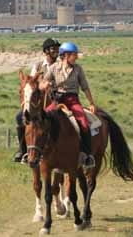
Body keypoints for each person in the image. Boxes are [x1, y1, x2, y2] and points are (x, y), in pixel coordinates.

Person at [40, 41, 97, 169]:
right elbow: (42, 83)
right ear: (65, 55)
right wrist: (45, 85)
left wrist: (91, 103)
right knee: (42, 119)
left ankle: (86, 155)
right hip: (57, 100)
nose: (76, 57)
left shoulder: (78, 69)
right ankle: (39, 151)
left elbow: (85, 87)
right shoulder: (54, 68)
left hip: (73, 100)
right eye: (74, 54)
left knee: (83, 123)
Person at [13, 38, 60, 163]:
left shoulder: (61, 64)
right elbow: (31, 81)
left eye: (57, 48)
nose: (56, 51)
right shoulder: (38, 66)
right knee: (19, 117)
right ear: (46, 51)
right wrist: (40, 85)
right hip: (39, 99)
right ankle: (23, 150)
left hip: (56, 98)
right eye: (53, 48)